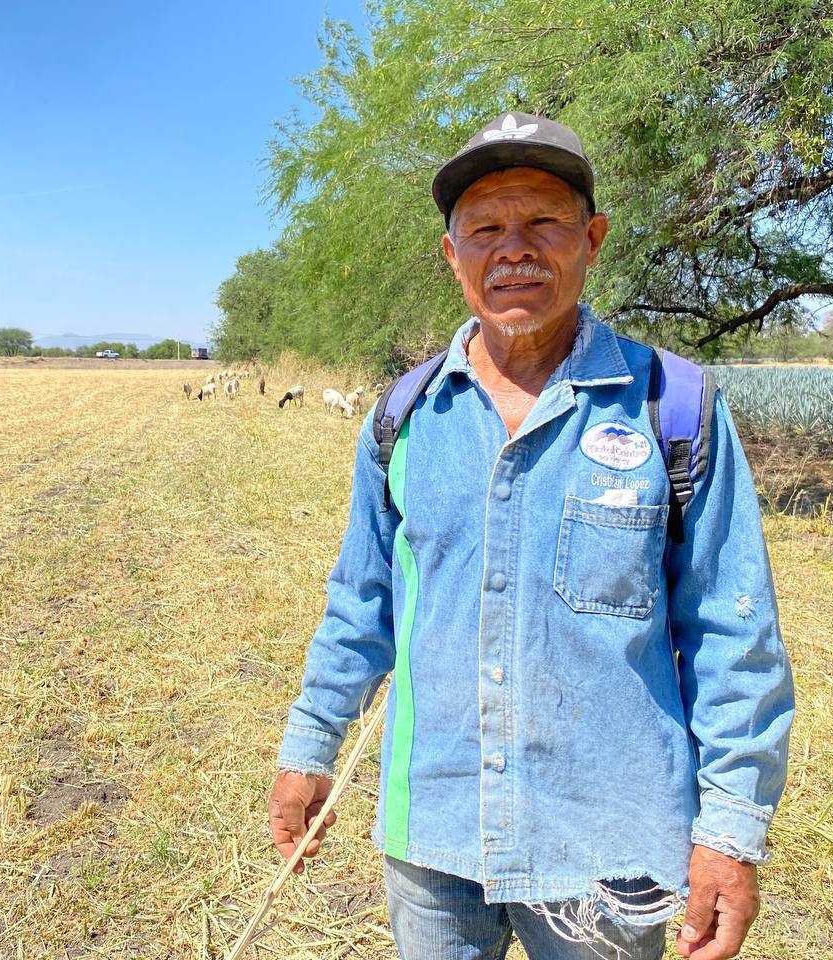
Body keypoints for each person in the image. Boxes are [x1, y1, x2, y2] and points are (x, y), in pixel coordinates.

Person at [267, 111, 795, 960]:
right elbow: (360, 603)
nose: (514, 247)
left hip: (608, 850)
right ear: (453, 257)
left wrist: (729, 833)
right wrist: (309, 743)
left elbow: (736, 632)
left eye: (543, 221)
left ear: (592, 239)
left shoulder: (675, 405)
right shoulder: (404, 417)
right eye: (485, 228)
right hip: (434, 835)